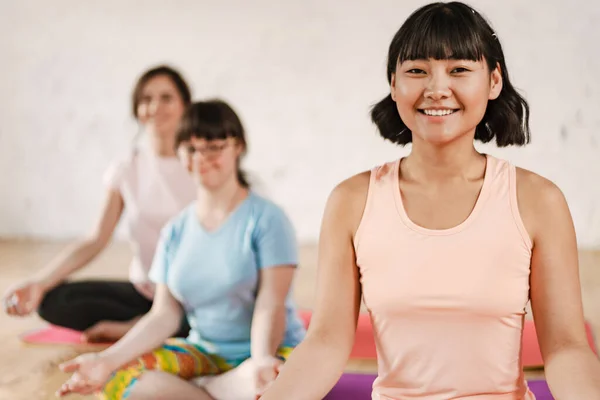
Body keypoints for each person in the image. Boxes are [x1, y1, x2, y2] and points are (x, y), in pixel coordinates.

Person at [259, 2, 600, 399]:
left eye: (459, 70)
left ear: (493, 81)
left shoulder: (539, 200)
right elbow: (327, 343)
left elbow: (565, 348)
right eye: (417, 70)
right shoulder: (351, 201)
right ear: (393, 84)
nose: (437, 88)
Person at [55, 99, 307, 400]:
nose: (201, 157)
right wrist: (105, 360)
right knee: (114, 380)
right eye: (190, 148)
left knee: (276, 386)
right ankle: (217, 390)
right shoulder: (175, 230)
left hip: (271, 350)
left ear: (237, 147)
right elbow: (164, 314)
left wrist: (262, 359)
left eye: (213, 147)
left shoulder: (267, 219)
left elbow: (271, 303)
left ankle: (207, 391)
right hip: (203, 353)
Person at [2, 65, 196, 342]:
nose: (155, 107)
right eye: (146, 99)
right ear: (136, 110)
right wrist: (39, 282)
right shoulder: (127, 168)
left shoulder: (202, 162)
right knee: (55, 301)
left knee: (229, 314)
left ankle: (146, 326)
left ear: (185, 105)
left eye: (166, 98)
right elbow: (96, 239)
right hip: (146, 291)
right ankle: (148, 323)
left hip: (196, 297)